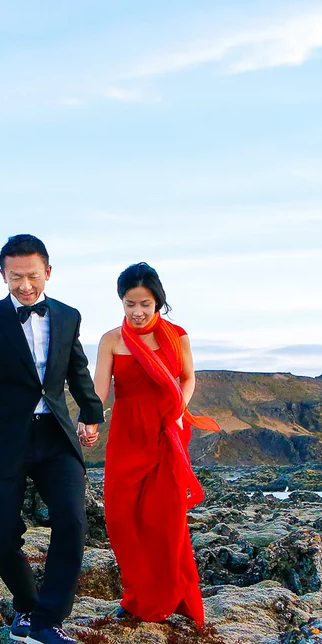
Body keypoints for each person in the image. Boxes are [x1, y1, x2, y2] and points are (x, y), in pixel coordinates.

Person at [0, 234, 104, 644]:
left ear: (48, 273)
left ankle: (49, 620)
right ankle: (26, 608)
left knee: (72, 521)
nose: (24, 285)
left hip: (56, 435)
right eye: (15, 277)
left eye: (32, 276)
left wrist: (91, 413)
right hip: (4, 438)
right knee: (1, 533)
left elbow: (77, 371)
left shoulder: (69, 316)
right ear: (3, 275)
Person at [89, 262, 220, 625]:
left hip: (166, 434)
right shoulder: (111, 340)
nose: (137, 312)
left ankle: (164, 599)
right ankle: (136, 592)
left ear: (158, 302)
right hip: (127, 436)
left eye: (144, 303)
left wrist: (180, 408)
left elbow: (188, 378)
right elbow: (100, 393)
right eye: (129, 304)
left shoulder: (176, 336)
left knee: (164, 520)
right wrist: (88, 420)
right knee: (120, 519)